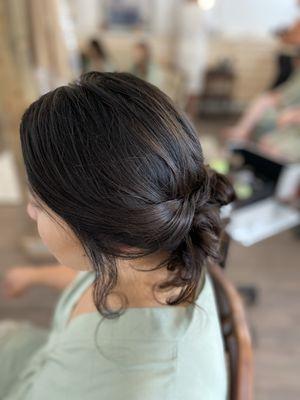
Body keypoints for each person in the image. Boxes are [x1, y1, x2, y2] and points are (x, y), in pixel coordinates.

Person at [0, 72, 234, 399]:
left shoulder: (118, 376)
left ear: (112, 234)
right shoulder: (155, 253)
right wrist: (34, 274)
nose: (29, 210)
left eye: (39, 203)